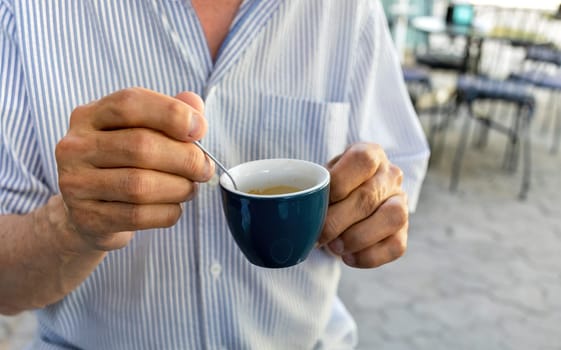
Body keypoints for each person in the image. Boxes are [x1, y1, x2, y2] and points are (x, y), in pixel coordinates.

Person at [0, 0, 429, 349]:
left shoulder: (348, 11)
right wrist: (70, 226)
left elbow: (396, 170)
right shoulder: (29, 14)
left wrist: (374, 202)